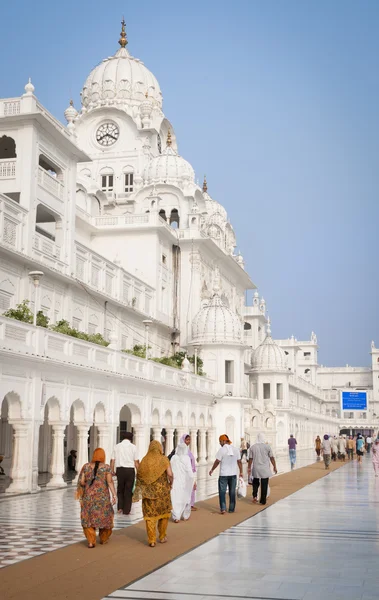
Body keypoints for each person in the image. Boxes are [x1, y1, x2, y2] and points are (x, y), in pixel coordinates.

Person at [134, 441, 173, 547]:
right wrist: (171, 483)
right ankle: (162, 536)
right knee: (163, 515)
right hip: (163, 493)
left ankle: (151, 540)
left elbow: (139, 475)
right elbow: (169, 474)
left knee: (150, 517)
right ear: (159, 448)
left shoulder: (144, 460)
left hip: (148, 494)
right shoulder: (164, 459)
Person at [76, 447, 116, 548]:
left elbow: (81, 481)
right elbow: (110, 482)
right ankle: (103, 538)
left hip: (88, 497)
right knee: (106, 517)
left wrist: (87, 485)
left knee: (88, 518)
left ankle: (91, 541)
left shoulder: (86, 466)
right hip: (103, 498)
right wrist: (114, 495)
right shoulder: (106, 468)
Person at [209, 434, 242, 514]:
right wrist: (241, 471)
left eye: (220, 441)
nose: (220, 443)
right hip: (233, 474)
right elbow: (239, 461)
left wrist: (212, 469)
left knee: (222, 492)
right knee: (232, 492)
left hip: (223, 474)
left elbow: (217, 461)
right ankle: (231, 509)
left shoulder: (222, 450)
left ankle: (223, 508)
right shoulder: (235, 449)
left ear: (223, 441)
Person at [110, 431, 139, 516]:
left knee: (120, 489)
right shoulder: (133, 447)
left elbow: (112, 460)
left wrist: (112, 470)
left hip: (120, 470)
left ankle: (120, 508)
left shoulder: (117, 446)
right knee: (128, 490)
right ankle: (127, 510)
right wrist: (139, 471)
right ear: (130, 438)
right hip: (130, 471)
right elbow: (136, 461)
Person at [168, 433, 197, 510]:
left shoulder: (187, 450)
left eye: (189, 440)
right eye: (187, 440)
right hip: (182, 474)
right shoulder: (179, 450)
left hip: (188, 472)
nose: (188, 441)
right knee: (183, 490)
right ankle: (185, 506)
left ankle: (189, 504)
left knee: (189, 488)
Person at [248, 433, 277, 505]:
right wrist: (274, 466)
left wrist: (249, 467)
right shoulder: (267, 447)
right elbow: (272, 457)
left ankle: (255, 496)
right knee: (264, 484)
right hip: (265, 468)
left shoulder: (253, 447)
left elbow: (250, 459)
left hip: (256, 468)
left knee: (255, 483)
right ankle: (263, 500)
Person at [170, 441, 195, 522]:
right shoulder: (186, 458)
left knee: (175, 498)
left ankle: (176, 516)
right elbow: (189, 471)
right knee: (185, 497)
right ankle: (185, 515)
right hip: (184, 482)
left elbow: (170, 469)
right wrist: (193, 481)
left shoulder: (173, 457)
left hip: (175, 481)